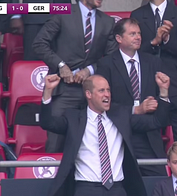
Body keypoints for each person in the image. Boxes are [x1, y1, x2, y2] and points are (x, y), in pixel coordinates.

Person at [40, 72, 171, 196]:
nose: (107, 94)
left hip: (116, 192)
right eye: (101, 90)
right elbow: (48, 123)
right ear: (88, 94)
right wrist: (48, 92)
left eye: (108, 90)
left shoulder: (121, 115)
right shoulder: (73, 118)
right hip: (86, 193)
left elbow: (157, 121)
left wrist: (163, 93)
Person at [33, 0, 118, 153]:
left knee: (90, 145)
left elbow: (112, 56)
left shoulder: (107, 22)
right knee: (55, 144)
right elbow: (39, 43)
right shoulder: (62, 13)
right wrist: (60, 65)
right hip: (64, 90)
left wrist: (90, 70)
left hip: (92, 93)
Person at [97, 18, 167, 176]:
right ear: (119, 39)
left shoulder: (153, 62)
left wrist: (161, 96)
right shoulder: (106, 64)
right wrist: (136, 109)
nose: (138, 37)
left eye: (139, 34)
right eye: (132, 34)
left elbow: (161, 96)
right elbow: (102, 102)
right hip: (120, 131)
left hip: (148, 133)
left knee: (157, 179)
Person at [131, 0, 177, 147]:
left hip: (175, 84)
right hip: (147, 83)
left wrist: (167, 40)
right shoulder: (137, 15)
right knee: (148, 141)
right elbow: (132, 53)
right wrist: (154, 41)